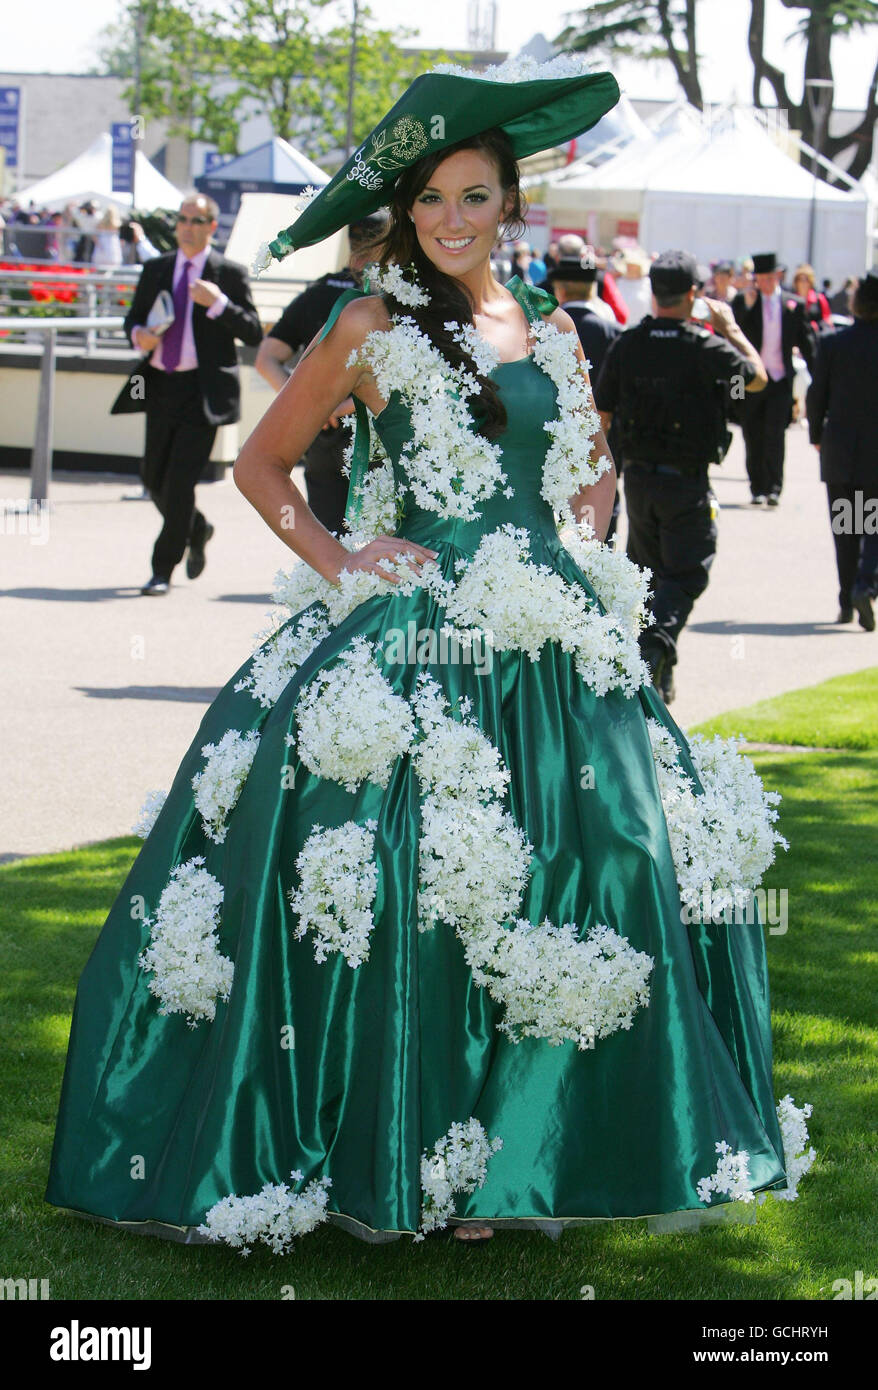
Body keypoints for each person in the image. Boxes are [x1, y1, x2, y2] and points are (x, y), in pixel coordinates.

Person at [46, 61, 810, 1254]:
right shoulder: (363, 321)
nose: (451, 219)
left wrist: (587, 520)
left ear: (510, 202)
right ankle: (401, 1150)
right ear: (406, 211)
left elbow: (566, 470)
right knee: (402, 874)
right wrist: (345, 558)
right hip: (407, 627)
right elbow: (258, 467)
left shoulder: (551, 324)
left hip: (544, 625)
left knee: (595, 856)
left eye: (474, 196)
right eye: (431, 200)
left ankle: (516, 1150)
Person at [594, 249, 767, 702]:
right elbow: (757, 378)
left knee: (650, 576)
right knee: (687, 572)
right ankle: (654, 648)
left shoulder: (629, 343)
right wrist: (729, 327)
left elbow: (602, 413)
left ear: (654, 292)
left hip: (640, 481)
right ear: (694, 294)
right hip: (686, 481)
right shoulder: (705, 345)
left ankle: (657, 672)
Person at [110, 191, 262, 594]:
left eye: (196, 221)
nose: (187, 228)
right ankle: (197, 528)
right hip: (160, 385)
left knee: (178, 484)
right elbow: (134, 319)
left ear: (212, 226)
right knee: (153, 477)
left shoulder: (227, 273)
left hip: (203, 391)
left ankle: (162, 570)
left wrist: (218, 304)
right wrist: (137, 335)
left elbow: (252, 331)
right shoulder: (157, 269)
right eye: (182, 219)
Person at [255, 214, 387, 536]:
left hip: (325, 437)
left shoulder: (318, 292)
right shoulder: (391, 300)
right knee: (384, 547)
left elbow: (265, 359)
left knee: (331, 542)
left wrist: (310, 404)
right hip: (382, 436)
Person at [806, 271, 878, 630]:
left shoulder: (833, 342)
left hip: (841, 448)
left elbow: (816, 395)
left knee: (846, 525)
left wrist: (816, 434)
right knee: (872, 524)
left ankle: (846, 597)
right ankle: (865, 584)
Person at [544, 237, 623, 540]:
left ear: (560, 289)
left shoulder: (536, 329)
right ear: (593, 289)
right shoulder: (613, 332)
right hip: (602, 434)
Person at [731, 251, 815, 507]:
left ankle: (774, 488)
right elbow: (735, 337)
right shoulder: (745, 302)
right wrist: (746, 304)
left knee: (775, 435)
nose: (765, 283)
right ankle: (757, 487)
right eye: (760, 278)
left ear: (777, 276)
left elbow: (807, 341)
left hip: (780, 379)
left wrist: (818, 372)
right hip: (753, 380)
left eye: (769, 277)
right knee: (752, 434)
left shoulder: (793, 305)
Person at [613, 247, 652, 326]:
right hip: (621, 326)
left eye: (633, 265)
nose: (629, 267)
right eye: (628, 264)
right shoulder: (619, 282)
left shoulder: (647, 283)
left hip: (642, 328)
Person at [791, 264, 833, 336]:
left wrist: (815, 326)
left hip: (815, 336)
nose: (803, 283)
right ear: (796, 282)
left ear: (811, 282)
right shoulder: (791, 299)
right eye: (800, 280)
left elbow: (827, 320)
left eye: (806, 280)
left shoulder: (819, 299)